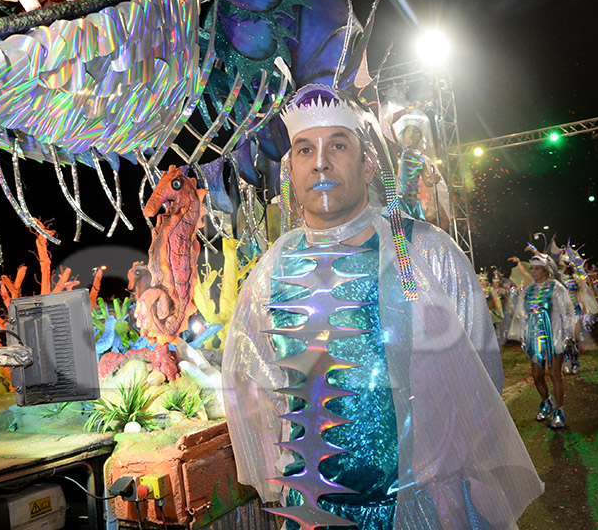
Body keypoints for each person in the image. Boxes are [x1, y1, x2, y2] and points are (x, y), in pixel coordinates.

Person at [222, 84, 542, 530]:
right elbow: (253, 389)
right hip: (314, 510)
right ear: (290, 171)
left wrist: (435, 465)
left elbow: (480, 371)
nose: (320, 162)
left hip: (425, 503)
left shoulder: (421, 253)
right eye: (304, 150)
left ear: (370, 164)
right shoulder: (271, 270)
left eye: (338, 144)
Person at [510, 254, 576, 429]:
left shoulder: (556, 288)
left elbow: (567, 312)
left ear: (546, 269)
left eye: (537, 268)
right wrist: (523, 336)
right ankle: (547, 402)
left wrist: (568, 335)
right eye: (532, 268)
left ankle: (559, 411)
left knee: (555, 375)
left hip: (554, 335)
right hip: (535, 337)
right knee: (537, 376)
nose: (533, 271)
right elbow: (523, 315)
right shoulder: (528, 290)